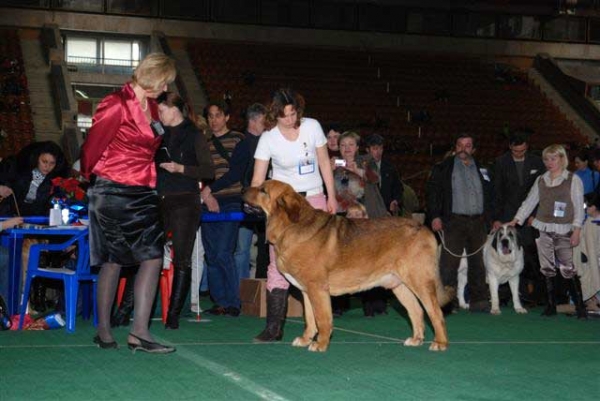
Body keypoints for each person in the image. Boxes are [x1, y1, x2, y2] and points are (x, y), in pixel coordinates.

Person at [80, 52, 177, 353]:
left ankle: (139, 332)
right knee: (113, 261)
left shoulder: (151, 106)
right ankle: (104, 331)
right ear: (153, 78)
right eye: (165, 83)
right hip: (111, 190)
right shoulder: (115, 103)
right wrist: (88, 179)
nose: (165, 89)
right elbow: (92, 148)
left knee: (152, 257)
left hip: (144, 190)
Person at [251, 88, 336, 342]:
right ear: (274, 115)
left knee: (319, 263)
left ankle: (322, 324)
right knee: (279, 264)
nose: (290, 119)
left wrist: (331, 197)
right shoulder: (268, 138)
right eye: (285, 115)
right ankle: (274, 328)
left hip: (314, 198)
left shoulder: (312, 126)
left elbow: (323, 163)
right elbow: (258, 179)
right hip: (284, 208)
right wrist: (257, 201)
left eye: (293, 113)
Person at [156, 92, 214, 329]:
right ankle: (129, 307)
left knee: (182, 258)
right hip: (157, 198)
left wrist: (181, 168)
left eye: (161, 110)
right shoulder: (157, 134)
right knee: (147, 253)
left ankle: (173, 314)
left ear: (174, 109)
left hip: (184, 200)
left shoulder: (194, 134)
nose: (158, 115)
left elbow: (209, 171)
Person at [510, 144, 586, 318]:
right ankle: (551, 305)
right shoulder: (541, 180)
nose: (549, 162)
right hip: (542, 227)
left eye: (553, 158)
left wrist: (576, 230)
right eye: (546, 159)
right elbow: (529, 202)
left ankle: (580, 306)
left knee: (567, 268)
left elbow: (578, 208)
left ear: (562, 159)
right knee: (546, 268)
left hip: (564, 228)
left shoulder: (573, 179)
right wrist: (516, 220)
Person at [426, 133, 492, 313]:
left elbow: (490, 196)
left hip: (478, 221)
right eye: (460, 145)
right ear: (455, 147)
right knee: (449, 264)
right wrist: (435, 216)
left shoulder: (483, 168)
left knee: (478, 262)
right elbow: (433, 194)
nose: (463, 148)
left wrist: (491, 220)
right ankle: (447, 303)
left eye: (468, 145)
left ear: (474, 149)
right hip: (453, 221)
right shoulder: (443, 167)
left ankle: (479, 301)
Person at [200, 100, 247, 317]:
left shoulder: (238, 139)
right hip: (208, 202)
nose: (214, 120)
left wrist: (210, 190)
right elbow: (200, 173)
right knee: (211, 254)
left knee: (223, 252)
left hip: (230, 200)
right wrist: (206, 194)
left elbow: (236, 173)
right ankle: (219, 301)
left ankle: (233, 302)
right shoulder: (204, 143)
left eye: (218, 115)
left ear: (227, 117)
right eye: (210, 116)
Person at [492, 131, 545, 305]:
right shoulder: (500, 162)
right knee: (506, 254)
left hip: (530, 217)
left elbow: (542, 192)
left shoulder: (537, 162)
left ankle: (533, 295)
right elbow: (496, 192)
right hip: (508, 216)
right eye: (516, 151)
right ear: (510, 147)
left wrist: (535, 214)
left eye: (522, 151)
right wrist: (497, 218)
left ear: (527, 147)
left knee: (530, 257)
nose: (519, 154)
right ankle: (507, 295)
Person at [234, 103, 267, 281]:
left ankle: (259, 286)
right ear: (253, 121)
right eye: (264, 120)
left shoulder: (267, 141)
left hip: (262, 202)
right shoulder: (242, 144)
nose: (267, 124)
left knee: (263, 245)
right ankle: (241, 289)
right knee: (242, 249)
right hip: (245, 201)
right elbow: (237, 175)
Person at [12, 141, 70, 216]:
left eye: (52, 163)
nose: (47, 166)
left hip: (42, 221)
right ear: (37, 159)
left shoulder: (56, 182)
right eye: (44, 161)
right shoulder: (21, 176)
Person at [573, 193, 600, 312]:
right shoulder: (586, 222)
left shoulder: (593, 223)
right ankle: (590, 301)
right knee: (586, 276)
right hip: (587, 259)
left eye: (586, 206)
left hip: (596, 258)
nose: (584, 208)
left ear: (593, 207)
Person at [365, 134, 404, 216]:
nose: (378, 152)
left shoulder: (390, 167)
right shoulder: (361, 166)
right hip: (367, 212)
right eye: (375, 148)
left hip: (386, 212)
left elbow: (398, 188)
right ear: (368, 150)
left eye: (381, 148)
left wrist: (396, 200)